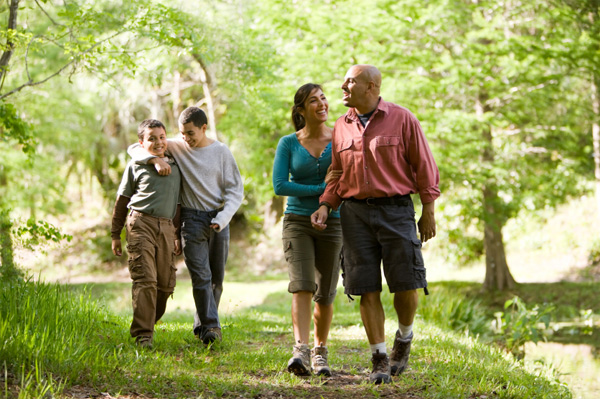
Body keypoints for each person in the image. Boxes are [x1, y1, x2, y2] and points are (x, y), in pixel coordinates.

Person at [311, 65, 440, 384]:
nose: (342, 86)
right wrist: (327, 205)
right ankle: (379, 358)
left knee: (406, 282)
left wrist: (428, 209)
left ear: (371, 86)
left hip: (396, 210)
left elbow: (423, 164)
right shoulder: (341, 125)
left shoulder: (402, 118)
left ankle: (404, 338)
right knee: (366, 286)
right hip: (355, 215)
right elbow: (337, 173)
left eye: (349, 81)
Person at [128, 107, 244, 345]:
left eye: (190, 133)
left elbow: (235, 190)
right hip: (191, 219)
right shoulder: (178, 146)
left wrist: (223, 218)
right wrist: (154, 159)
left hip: (219, 218)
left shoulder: (221, 152)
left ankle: (202, 326)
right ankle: (212, 326)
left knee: (216, 280)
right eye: (181, 133)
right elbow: (135, 147)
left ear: (204, 128)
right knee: (201, 275)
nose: (185, 139)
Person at [273, 83, 343, 377]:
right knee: (302, 285)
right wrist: (320, 189)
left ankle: (320, 352)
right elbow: (280, 185)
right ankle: (300, 349)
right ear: (301, 110)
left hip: (334, 221)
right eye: (313, 100)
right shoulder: (288, 143)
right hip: (297, 221)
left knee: (325, 293)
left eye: (323, 98)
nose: (322, 104)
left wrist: (328, 197)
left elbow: (345, 176)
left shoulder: (340, 138)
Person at [111, 118, 182, 348]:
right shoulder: (136, 165)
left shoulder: (176, 165)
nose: (159, 142)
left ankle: (148, 322)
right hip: (141, 223)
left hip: (166, 227)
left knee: (165, 284)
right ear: (142, 142)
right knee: (145, 279)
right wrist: (115, 234)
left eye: (162, 137)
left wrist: (176, 234)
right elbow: (122, 201)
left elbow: (178, 204)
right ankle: (144, 335)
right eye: (152, 139)